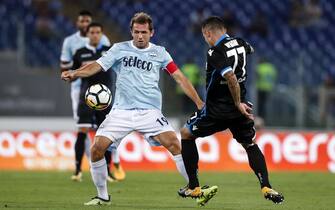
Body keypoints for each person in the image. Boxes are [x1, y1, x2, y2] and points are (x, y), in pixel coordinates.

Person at [61, 12, 218, 206]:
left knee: (175, 144)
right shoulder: (119, 49)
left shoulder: (160, 52)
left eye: (144, 32)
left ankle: (195, 189)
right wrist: (75, 73)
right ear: (131, 32)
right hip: (121, 112)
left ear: (152, 32)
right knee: (96, 149)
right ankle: (102, 196)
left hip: (150, 112)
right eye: (136, 32)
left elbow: (179, 77)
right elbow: (97, 66)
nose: (140, 36)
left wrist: (199, 102)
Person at [178, 16, 284, 205]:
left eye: (205, 36)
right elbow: (250, 50)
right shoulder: (241, 42)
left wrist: (236, 102)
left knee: (186, 134)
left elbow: (231, 77)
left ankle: (193, 187)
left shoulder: (214, 51)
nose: (205, 39)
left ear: (208, 33)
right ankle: (266, 186)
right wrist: (240, 103)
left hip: (218, 109)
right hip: (240, 109)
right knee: (250, 144)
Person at [60, 10, 125, 182]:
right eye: (92, 32)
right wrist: (69, 75)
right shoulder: (80, 52)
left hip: (106, 97)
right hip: (85, 96)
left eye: (98, 32)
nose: (95, 35)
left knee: (107, 134)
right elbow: (73, 72)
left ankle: (109, 170)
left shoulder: (109, 51)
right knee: (82, 131)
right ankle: (77, 171)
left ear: (101, 34)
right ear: (87, 34)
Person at [256, 57, 277, 121]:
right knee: (267, 104)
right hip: (269, 88)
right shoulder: (271, 68)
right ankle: (267, 118)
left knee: (260, 104)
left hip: (261, 87)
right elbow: (274, 77)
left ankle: (260, 118)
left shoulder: (259, 67)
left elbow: (257, 76)